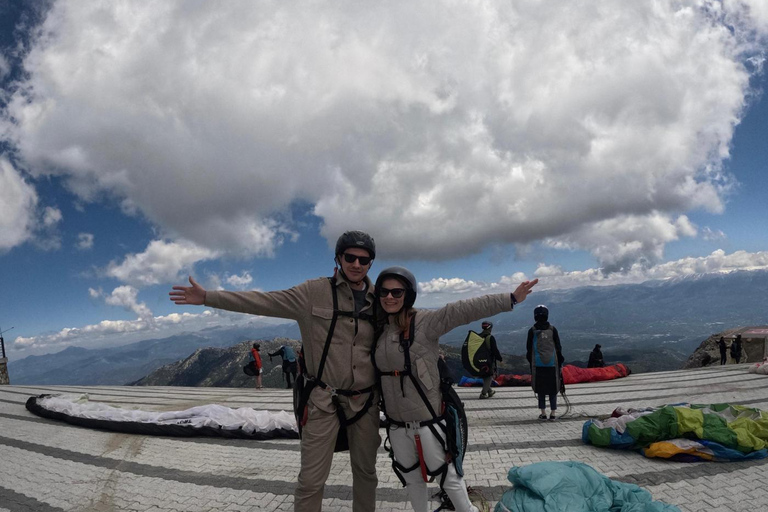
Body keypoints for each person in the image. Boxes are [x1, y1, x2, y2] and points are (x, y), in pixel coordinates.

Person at [170, 230, 381, 512]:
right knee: (310, 480)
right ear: (339, 258)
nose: (357, 264)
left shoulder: (381, 298)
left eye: (364, 260)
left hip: (365, 402)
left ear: (371, 263)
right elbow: (263, 301)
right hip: (322, 401)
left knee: (366, 474)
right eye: (350, 257)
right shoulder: (313, 292)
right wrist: (208, 296)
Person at [373, 266, 537, 512]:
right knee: (412, 480)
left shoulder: (424, 323)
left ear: (408, 295)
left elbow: (462, 310)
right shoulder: (377, 330)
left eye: (397, 292)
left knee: (449, 479)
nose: (389, 297)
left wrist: (510, 299)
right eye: (384, 292)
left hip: (428, 422)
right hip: (396, 426)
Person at [526, 305, 564, 421]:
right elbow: (558, 347)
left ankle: (543, 413)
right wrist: (560, 362)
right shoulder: (552, 329)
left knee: (540, 389)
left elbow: (528, 349)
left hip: (537, 365)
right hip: (552, 364)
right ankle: (553, 413)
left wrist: (531, 362)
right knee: (553, 389)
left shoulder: (532, 330)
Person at [478, 321, 502, 400]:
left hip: (479, 360)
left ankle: (490, 391)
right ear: (490, 328)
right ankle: (483, 393)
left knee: (485, 375)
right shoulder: (490, 338)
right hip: (488, 361)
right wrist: (500, 359)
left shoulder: (478, 337)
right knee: (489, 376)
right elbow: (495, 350)